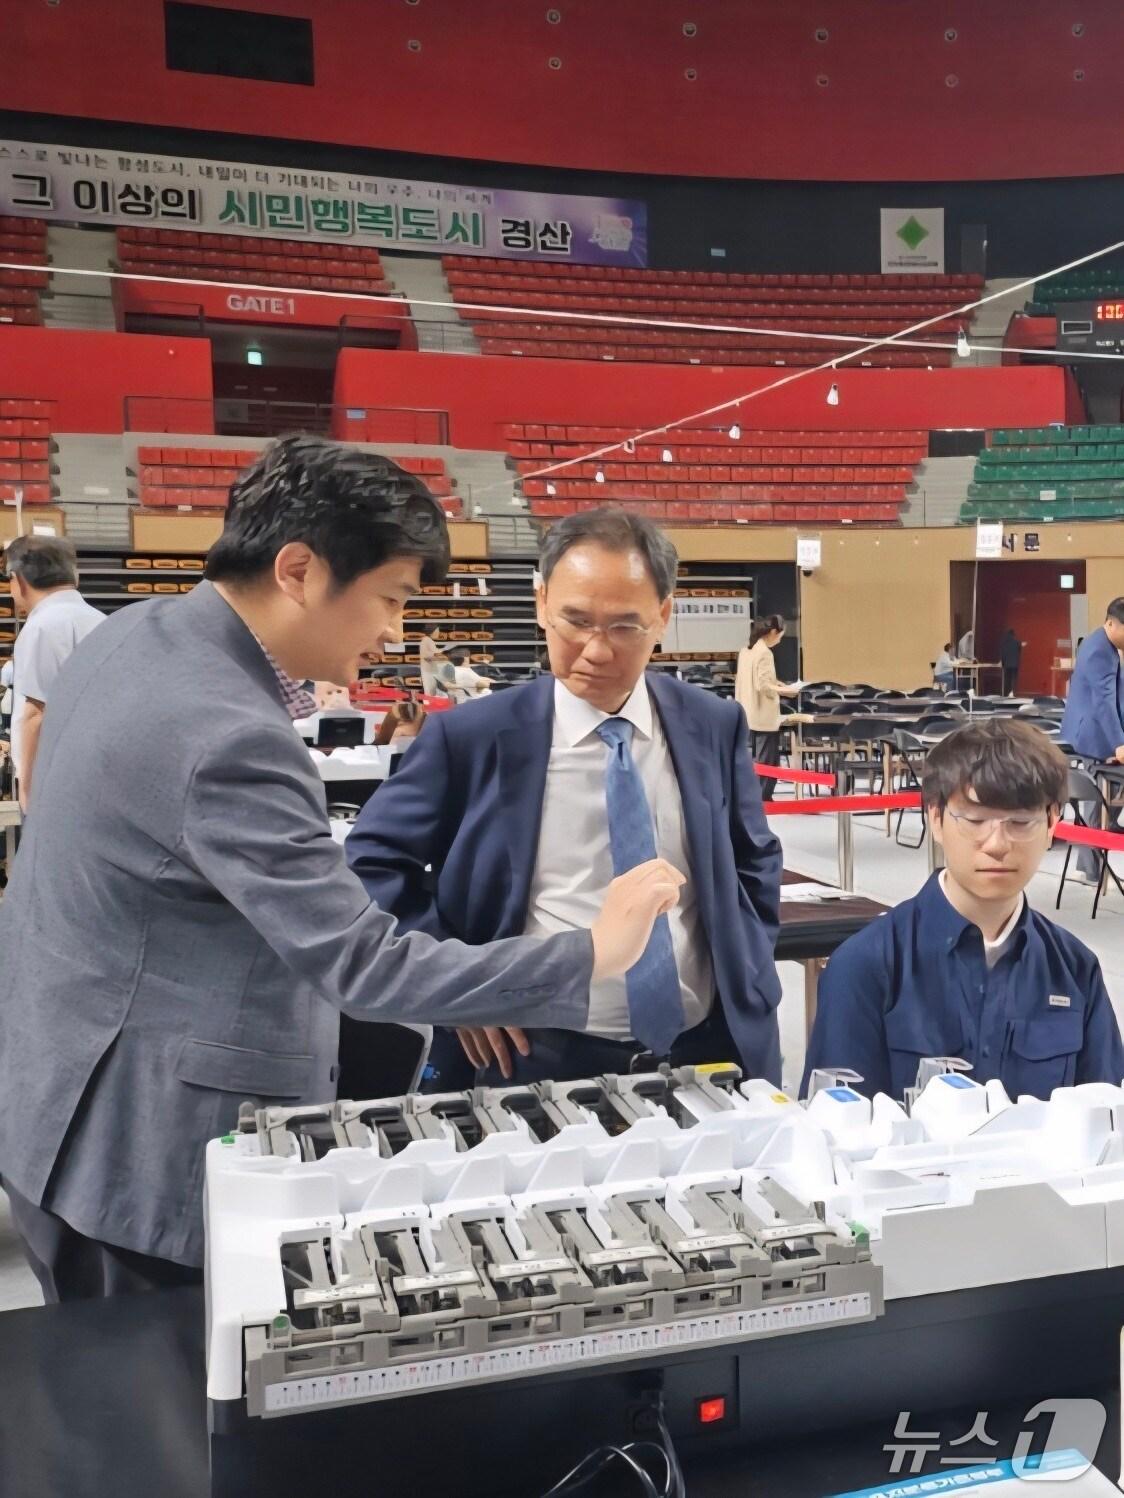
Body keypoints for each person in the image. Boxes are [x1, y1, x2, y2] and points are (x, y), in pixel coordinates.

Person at [0, 440, 682, 1302]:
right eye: (389, 599)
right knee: (164, 1416)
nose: (394, 631)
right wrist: (593, 952)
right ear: (297, 570)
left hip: (57, 1090)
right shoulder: (228, 734)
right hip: (138, 1147)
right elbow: (364, 965)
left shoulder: (137, 632)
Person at [347, 506, 784, 1089]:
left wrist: (750, 968)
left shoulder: (711, 723)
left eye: (625, 626)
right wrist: (460, 987)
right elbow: (368, 866)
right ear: (540, 605)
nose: (597, 651)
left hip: (707, 1048)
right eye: (575, 621)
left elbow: (754, 858)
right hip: (535, 1057)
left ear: (663, 616)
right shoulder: (471, 739)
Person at [802, 718, 1124, 1102]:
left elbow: (1106, 1119)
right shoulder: (866, 965)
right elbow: (840, 1131)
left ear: (1052, 821)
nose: (997, 844)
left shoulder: (1074, 969)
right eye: (974, 820)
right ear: (935, 818)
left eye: (1021, 822)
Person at [3, 536, 104, 812]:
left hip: (55, 783)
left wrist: (28, 790)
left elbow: (35, 714)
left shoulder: (42, 628)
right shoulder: (100, 620)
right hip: (95, 773)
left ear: (18, 579)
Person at [1059, 598, 1124, 883]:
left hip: (1097, 731)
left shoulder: (1104, 644)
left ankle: (1093, 862)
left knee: (1104, 800)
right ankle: (1091, 867)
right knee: (1097, 800)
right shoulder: (1100, 651)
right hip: (1093, 735)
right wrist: (1118, 744)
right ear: (1111, 623)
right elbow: (1104, 704)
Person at [734, 614, 800, 802]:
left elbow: (761, 680)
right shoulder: (764, 653)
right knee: (768, 762)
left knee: (754, 760)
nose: (779, 641)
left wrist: (780, 685)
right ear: (773, 632)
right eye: (779, 636)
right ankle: (763, 799)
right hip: (763, 715)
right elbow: (763, 685)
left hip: (747, 711)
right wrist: (785, 691)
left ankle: (753, 797)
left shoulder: (746, 651)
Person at [1000, 628, 1023, 697]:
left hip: (1007, 664)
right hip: (1015, 664)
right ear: (1013, 635)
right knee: (1013, 678)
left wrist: (1002, 663)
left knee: (1007, 679)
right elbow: (1019, 651)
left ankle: (1006, 693)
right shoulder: (1017, 642)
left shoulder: (1004, 643)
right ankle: (1012, 692)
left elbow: (1003, 653)